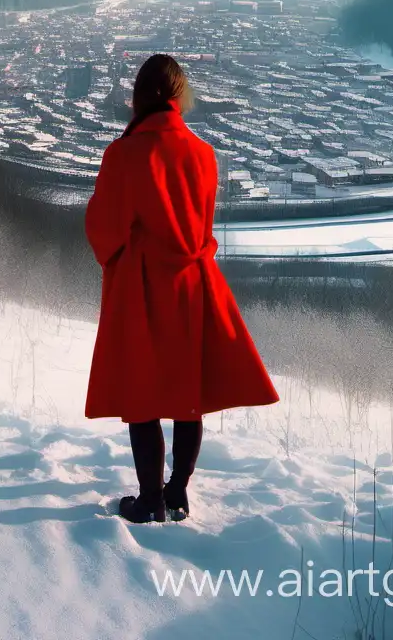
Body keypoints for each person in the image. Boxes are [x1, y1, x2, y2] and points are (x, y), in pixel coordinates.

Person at [84, 54, 280, 523]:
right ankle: (177, 492)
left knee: (143, 394)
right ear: (178, 97)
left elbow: (103, 228)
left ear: (138, 96)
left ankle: (149, 498)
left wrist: (122, 251)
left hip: (144, 288)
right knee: (187, 393)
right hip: (194, 285)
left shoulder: (124, 153)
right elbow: (202, 224)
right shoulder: (203, 154)